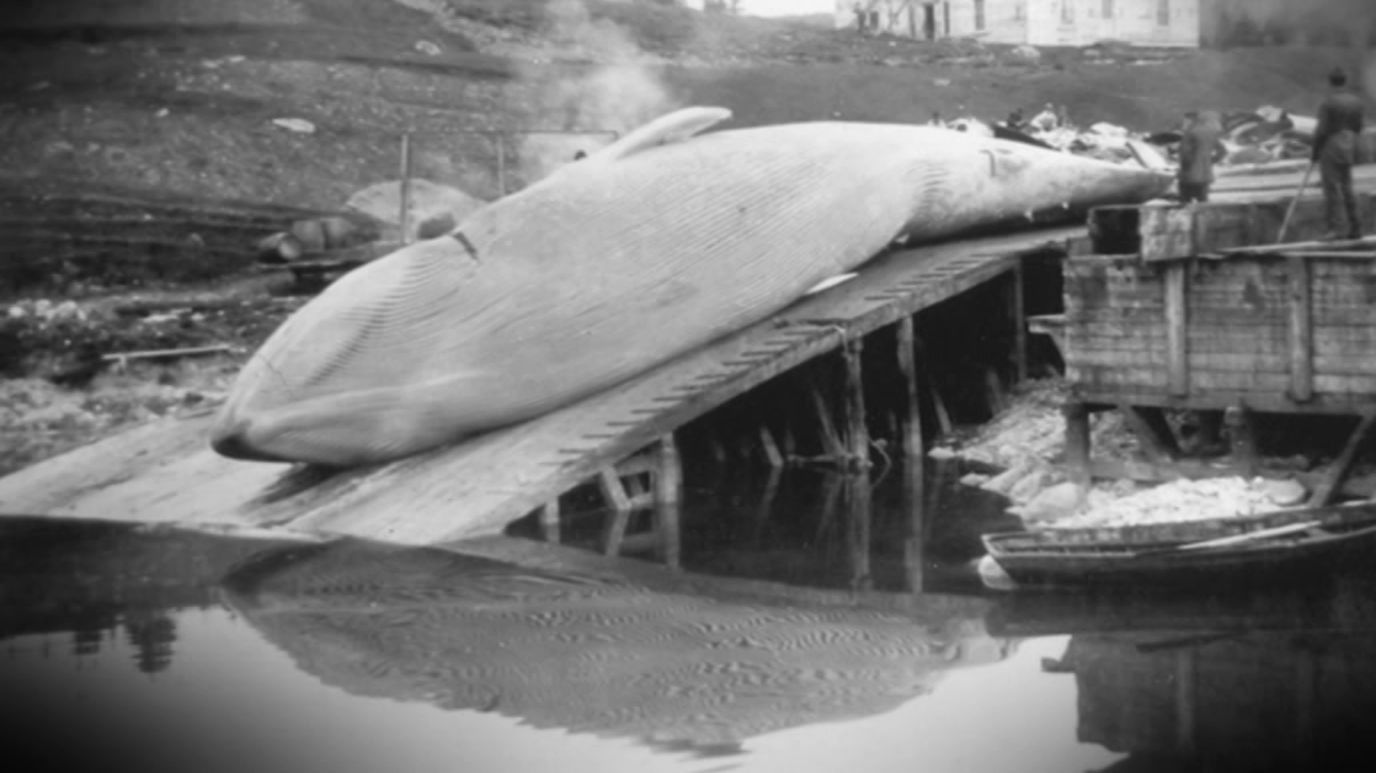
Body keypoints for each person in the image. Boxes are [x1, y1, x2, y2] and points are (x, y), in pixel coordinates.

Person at [1312, 67, 1366, 240]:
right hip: (1349, 144)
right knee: (1347, 187)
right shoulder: (1356, 102)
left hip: (1332, 147)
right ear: (1345, 81)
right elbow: (1358, 127)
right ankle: (1356, 228)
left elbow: (1322, 130)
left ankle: (1336, 230)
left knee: (1332, 189)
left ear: (1330, 82)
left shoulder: (1328, 103)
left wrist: (1315, 152)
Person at [1177, 110, 1223, 204]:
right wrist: (1211, 161)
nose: (1184, 123)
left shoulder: (1189, 134)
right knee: (1203, 204)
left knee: (1185, 206)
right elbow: (1222, 151)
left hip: (1189, 178)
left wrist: (1183, 170)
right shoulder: (1210, 133)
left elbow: (1185, 155)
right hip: (1205, 177)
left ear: (1191, 120)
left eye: (1185, 120)